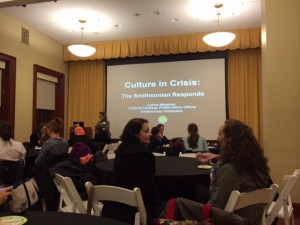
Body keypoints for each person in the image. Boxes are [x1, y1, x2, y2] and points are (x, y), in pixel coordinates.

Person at [207, 119, 271, 225]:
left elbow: (215, 206)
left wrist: (213, 181)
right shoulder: (256, 164)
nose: (217, 138)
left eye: (219, 133)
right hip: (253, 218)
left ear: (230, 138)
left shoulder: (230, 169)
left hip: (234, 220)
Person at [102, 118, 163, 225]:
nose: (150, 134)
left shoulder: (120, 151)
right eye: (146, 131)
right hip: (138, 211)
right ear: (135, 134)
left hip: (115, 209)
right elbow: (149, 189)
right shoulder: (144, 155)